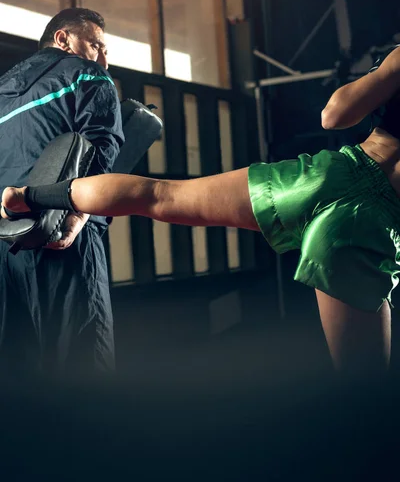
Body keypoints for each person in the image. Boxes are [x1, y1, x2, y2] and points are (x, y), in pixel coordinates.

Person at [4, 46, 400, 380]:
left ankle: (30, 195)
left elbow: (334, 115)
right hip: (378, 222)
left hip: (333, 176)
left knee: (159, 196)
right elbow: (334, 116)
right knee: (363, 393)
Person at [0, 8, 124, 379]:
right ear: (63, 39)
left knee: (18, 368)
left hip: (7, 247)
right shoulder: (86, 74)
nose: (103, 58)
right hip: (61, 239)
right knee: (83, 362)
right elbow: (101, 146)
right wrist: (77, 216)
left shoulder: (4, 92)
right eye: (96, 45)